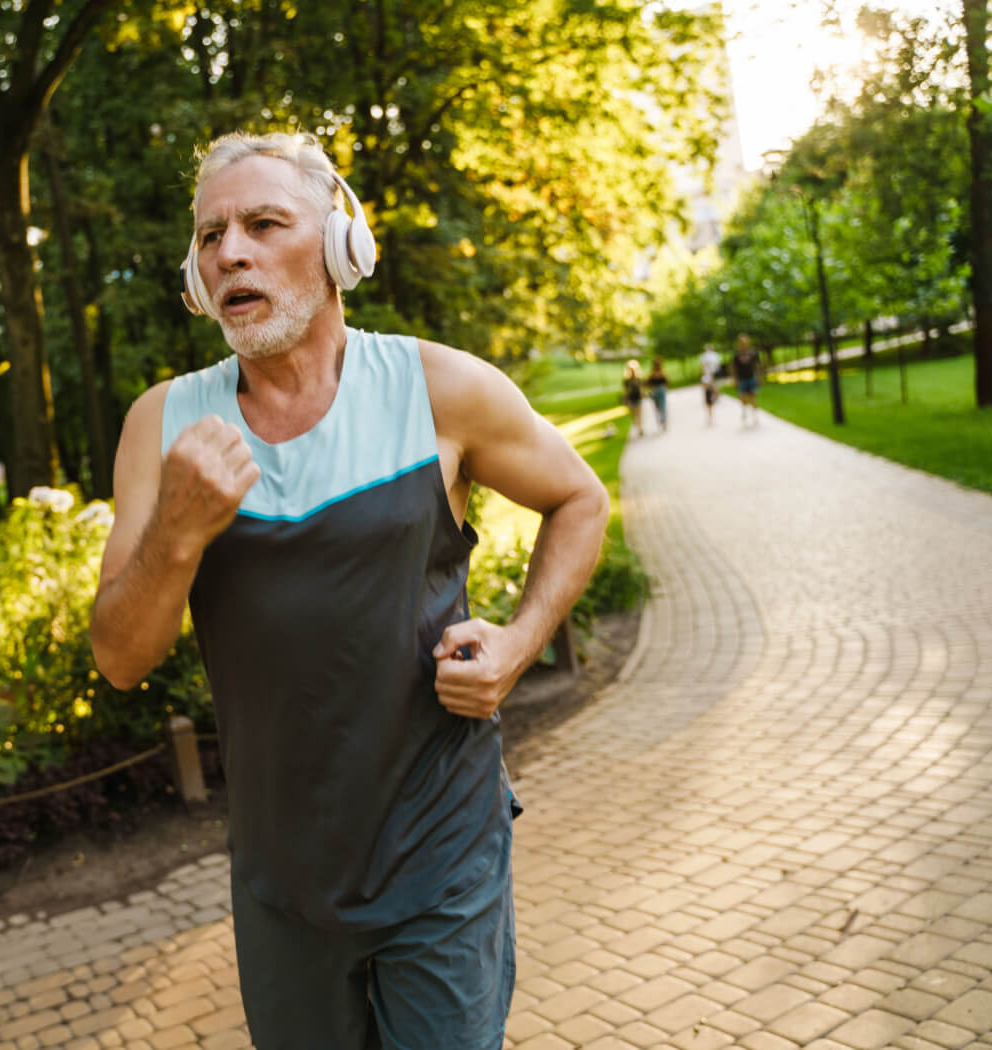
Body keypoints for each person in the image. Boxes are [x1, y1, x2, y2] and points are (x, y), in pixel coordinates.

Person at [90, 131, 609, 1050]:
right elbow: (120, 658)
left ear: (340, 244)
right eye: (210, 236)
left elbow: (580, 498)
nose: (230, 252)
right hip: (283, 879)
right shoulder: (161, 426)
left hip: (442, 852)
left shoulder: (438, 387)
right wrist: (176, 527)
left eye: (261, 223)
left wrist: (520, 642)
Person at [732, 333, 762, 426]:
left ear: (748, 342)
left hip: (751, 378)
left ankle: (755, 415)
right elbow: (734, 368)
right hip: (742, 379)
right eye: (741, 342)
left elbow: (757, 366)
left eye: (745, 341)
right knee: (743, 397)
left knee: (753, 397)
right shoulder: (736, 354)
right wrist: (735, 379)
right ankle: (744, 411)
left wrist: (759, 377)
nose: (743, 343)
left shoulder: (753, 352)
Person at [698, 342, 723, 425]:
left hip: (713, 375)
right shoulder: (705, 357)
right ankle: (710, 403)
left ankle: (715, 398)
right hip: (708, 377)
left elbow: (716, 365)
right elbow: (703, 367)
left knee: (714, 388)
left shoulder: (714, 356)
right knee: (708, 393)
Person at [622, 359, 645, 436]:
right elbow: (625, 391)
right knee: (634, 416)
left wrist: (643, 395)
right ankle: (637, 425)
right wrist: (625, 400)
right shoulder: (626, 381)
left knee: (639, 414)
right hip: (631, 399)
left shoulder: (638, 379)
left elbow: (641, 389)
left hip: (638, 398)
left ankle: (640, 429)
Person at [647, 357, 669, 433]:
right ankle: (662, 421)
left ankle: (663, 421)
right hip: (658, 391)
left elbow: (648, 384)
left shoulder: (659, 373)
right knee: (660, 407)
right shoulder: (655, 374)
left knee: (660, 407)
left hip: (658, 391)